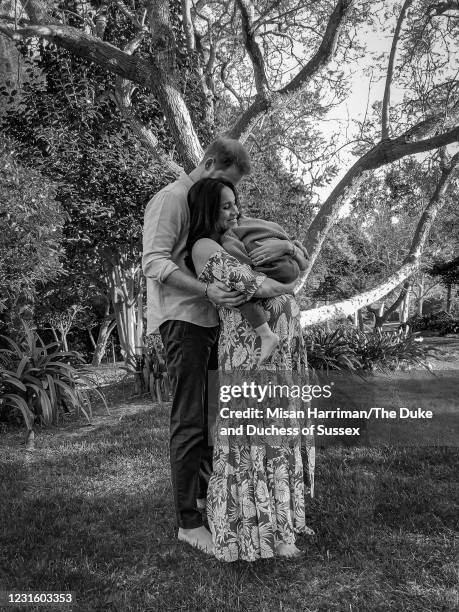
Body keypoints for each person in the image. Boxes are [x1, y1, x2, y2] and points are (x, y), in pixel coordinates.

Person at [142, 138, 298, 554]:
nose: (229, 201)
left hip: (215, 321)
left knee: (213, 417)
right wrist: (207, 290)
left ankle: (206, 500)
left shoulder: (205, 204)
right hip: (184, 320)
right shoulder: (172, 199)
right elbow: (155, 261)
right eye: (225, 183)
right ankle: (187, 522)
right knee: (190, 418)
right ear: (208, 163)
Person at [187, 177, 315, 562]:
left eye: (235, 204)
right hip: (249, 355)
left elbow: (299, 263)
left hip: (281, 351)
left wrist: (289, 251)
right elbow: (253, 282)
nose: (235, 212)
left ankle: (284, 524)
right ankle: (260, 529)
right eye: (225, 206)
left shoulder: (242, 240)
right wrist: (287, 279)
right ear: (208, 209)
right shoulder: (204, 246)